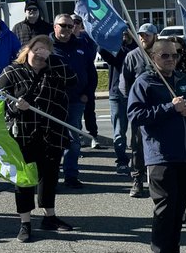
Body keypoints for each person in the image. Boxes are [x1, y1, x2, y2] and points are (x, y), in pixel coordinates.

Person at [128, 38, 186, 253]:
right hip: (161, 155)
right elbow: (136, 115)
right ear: (153, 57)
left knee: (179, 207)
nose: (171, 59)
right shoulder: (145, 82)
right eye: (165, 55)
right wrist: (169, 108)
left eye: (175, 55)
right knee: (165, 207)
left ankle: (174, 251)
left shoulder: (185, 80)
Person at [0, 36, 77, 243]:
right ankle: (25, 222)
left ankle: (49, 217)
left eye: (45, 51)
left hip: (52, 132)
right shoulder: (12, 71)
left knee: (49, 177)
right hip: (24, 133)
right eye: (37, 49)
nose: (40, 54)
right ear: (27, 50)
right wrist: (15, 106)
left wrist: (53, 59)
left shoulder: (56, 69)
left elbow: (73, 80)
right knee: (24, 179)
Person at [51, 13, 95, 188]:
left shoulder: (81, 45)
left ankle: (71, 176)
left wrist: (87, 94)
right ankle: (50, 177)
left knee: (73, 140)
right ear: (55, 26)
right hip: (52, 102)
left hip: (76, 101)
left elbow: (91, 72)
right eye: (63, 25)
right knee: (52, 140)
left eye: (71, 26)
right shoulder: (46, 46)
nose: (68, 29)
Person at [121, 23, 159, 197]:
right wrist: (132, 103)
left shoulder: (161, 54)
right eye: (141, 35)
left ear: (155, 36)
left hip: (160, 107)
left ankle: (158, 182)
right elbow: (125, 83)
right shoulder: (132, 56)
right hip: (141, 110)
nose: (143, 38)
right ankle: (137, 179)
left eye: (147, 35)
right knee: (138, 147)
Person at [99, 30, 137, 174]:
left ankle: (138, 162)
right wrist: (111, 36)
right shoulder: (115, 49)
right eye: (121, 31)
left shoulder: (138, 49)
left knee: (139, 132)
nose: (124, 34)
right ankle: (122, 161)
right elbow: (101, 49)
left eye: (126, 30)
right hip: (117, 95)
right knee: (119, 131)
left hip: (136, 95)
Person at [71, 15, 102, 150]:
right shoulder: (64, 42)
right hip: (72, 87)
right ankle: (77, 138)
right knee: (74, 116)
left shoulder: (86, 39)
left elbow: (92, 57)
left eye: (77, 22)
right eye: (71, 23)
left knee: (89, 111)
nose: (74, 25)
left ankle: (93, 136)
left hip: (87, 82)